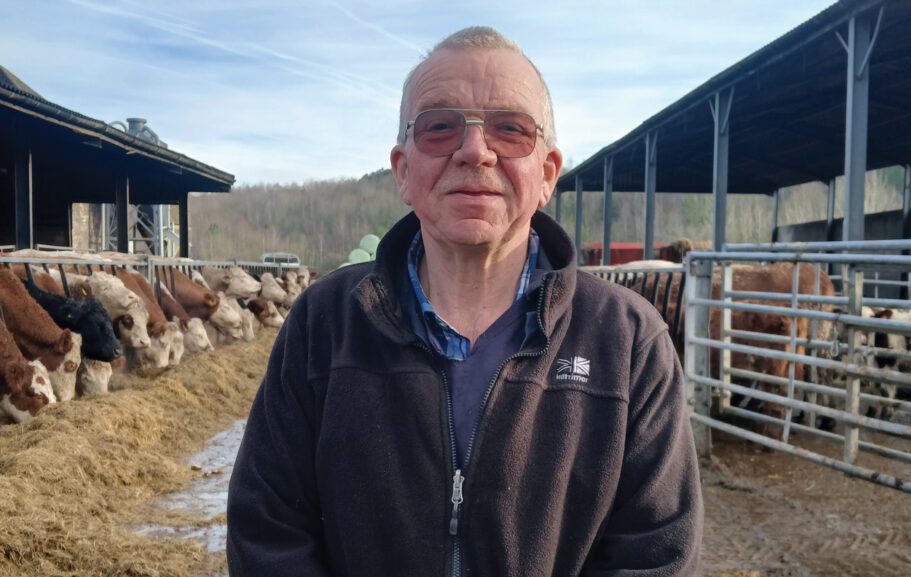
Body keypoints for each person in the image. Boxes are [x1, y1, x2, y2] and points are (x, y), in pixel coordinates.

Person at [227, 26, 703, 576]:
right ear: (404, 170)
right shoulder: (325, 322)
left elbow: (657, 553)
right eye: (439, 127)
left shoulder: (627, 339)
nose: (475, 151)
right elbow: (268, 532)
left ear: (547, 174)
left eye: (510, 129)